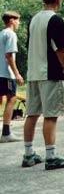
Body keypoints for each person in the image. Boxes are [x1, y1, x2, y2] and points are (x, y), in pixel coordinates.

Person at [22, 0, 64, 170]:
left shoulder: (33, 19)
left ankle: (28, 155)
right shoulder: (55, 20)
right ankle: (51, 157)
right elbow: (60, 49)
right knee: (50, 115)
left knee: (32, 114)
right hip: (50, 74)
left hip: (33, 74)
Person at [0, 11, 25, 143]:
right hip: (6, 74)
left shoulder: (1, 33)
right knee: (12, 99)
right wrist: (17, 74)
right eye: (17, 20)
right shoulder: (11, 34)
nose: (19, 23)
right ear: (11, 20)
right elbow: (9, 56)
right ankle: (6, 133)